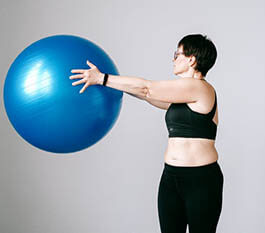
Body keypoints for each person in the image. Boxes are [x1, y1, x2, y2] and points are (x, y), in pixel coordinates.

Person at [70, 33, 224, 233]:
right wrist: (113, 84)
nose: (173, 59)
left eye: (177, 54)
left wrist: (103, 78)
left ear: (191, 59)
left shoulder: (201, 89)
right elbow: (148, 97)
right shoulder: (181, 96)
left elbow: (147, 89)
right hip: (171, 177)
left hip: (201, 180)